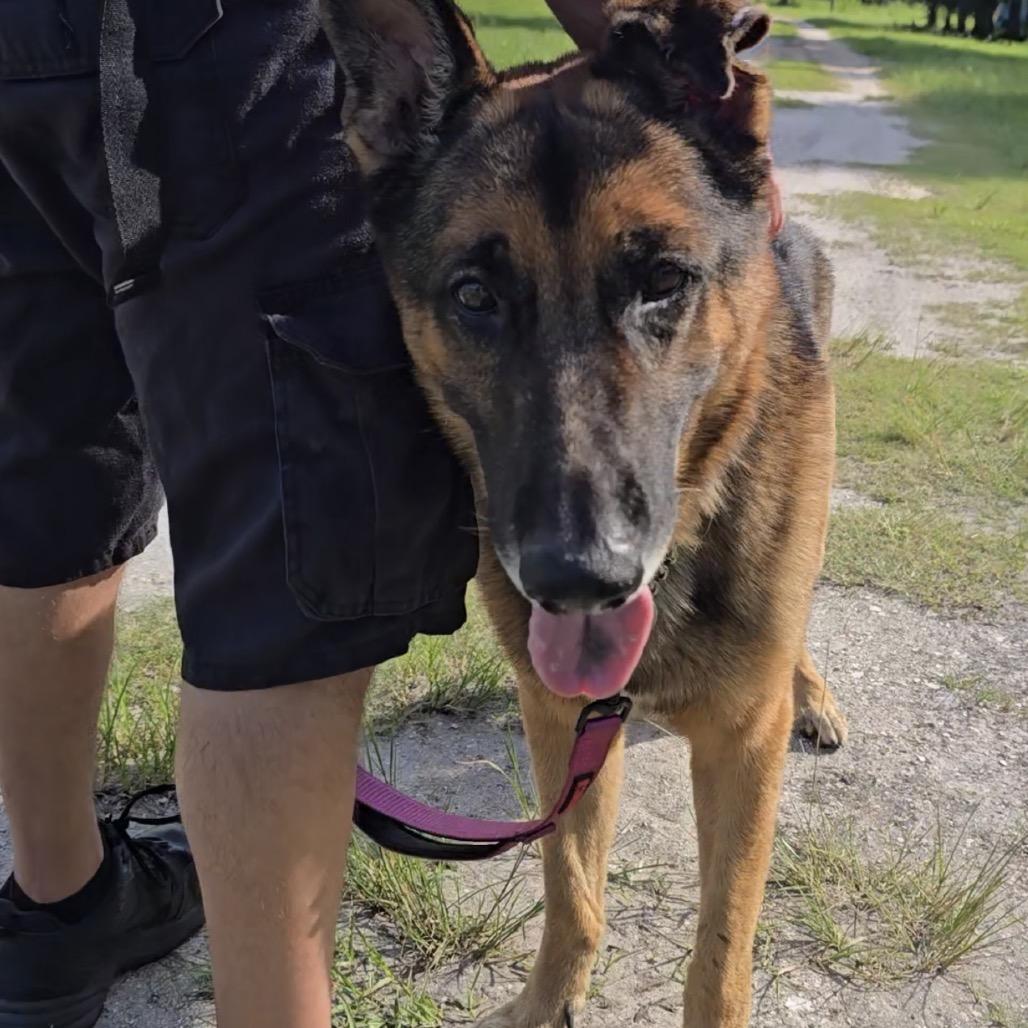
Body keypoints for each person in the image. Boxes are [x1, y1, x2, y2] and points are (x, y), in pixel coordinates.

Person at [0, 3, 779, 1027]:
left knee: (47, 501)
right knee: (278, 612)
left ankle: (57, 908)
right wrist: (641, 32)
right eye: (476, 302)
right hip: (217, 43)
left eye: (659, 285)